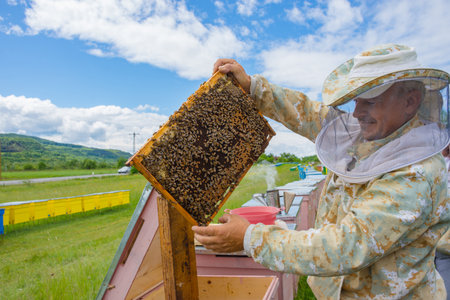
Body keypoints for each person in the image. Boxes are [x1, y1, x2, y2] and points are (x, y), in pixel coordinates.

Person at [192, 44, 450, 299]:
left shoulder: (416, 175)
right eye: (356, 100)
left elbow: (346, 245)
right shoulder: (373, 132)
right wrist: (253, 87)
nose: (358, 113)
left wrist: (249, 237)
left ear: (410, 100)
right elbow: (311, 114)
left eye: (370, 101)